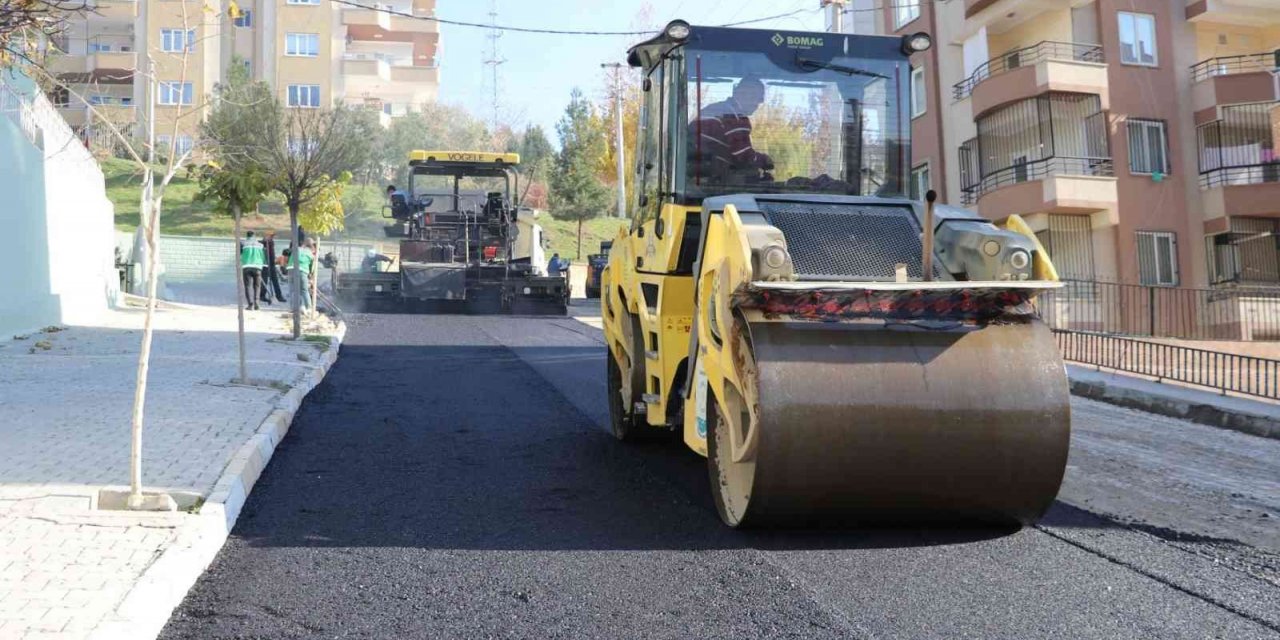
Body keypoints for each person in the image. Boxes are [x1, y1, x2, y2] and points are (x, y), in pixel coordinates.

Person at [691, 77, 774, 181]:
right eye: (756, 97)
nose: (758, 103)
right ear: (740, 93)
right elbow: (742, 156)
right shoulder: (734, 116)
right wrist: (764, 160)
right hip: (708, 179)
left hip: (693, 175)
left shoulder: (716, 109)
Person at [239, 230, 266, 310]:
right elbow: (263, 256)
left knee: (247, 286)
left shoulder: (243, 244)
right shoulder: (260, 245)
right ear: (254, 236)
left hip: (247, 266)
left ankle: (250, 304)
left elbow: (240, 253)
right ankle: (257, 304)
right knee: (257, 286)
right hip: (257, 267)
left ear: (247, 236)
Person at [260, 229, 285, 304]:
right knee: (266, 280)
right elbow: (269, 254)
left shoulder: (270, 242)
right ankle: (263, 295)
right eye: (271, 236)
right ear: (267, 236)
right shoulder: (264, 243)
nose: (272, 237)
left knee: (274, 280)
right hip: (266, 264)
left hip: (270, 263)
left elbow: (272, 254)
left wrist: (274, 261)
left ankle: (278, 296)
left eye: (272, 236)